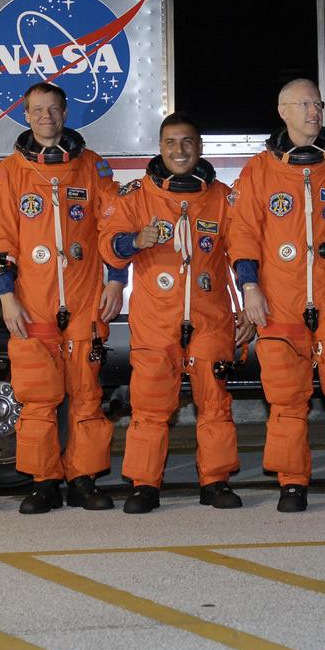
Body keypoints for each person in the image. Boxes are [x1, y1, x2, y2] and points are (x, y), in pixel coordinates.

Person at [229, 78, 325, 512]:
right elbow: (242, 235)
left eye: (317, 103)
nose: (313, 111)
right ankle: (292, 483)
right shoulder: (259, 171)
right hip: (280, 302)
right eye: (303, 104)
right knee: (285, 400)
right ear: (282, 111)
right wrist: (250, 289)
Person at [99, 113, 254, 513]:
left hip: (210, 316)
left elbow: (243, 253)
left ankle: (215, 481)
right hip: (156, 320)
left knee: (215, 401)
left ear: (199, 147)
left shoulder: (222, 197)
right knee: (149, 404)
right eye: (170, 142)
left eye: (187, 142)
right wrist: (135, 240)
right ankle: (145, 485)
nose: (179, 150)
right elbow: (108, 244)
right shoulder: (136, 195)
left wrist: (249, 305)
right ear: (160, 146)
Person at [0, 82, 126, 513]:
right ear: (25, 116)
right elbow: (0, 239)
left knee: (86, 396)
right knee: (38, 398)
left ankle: (83, 479)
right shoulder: (10, 172)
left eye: (53, 108)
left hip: (84, 300)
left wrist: (117, 280)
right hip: (33, 302)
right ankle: (44, 482)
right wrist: (7, 296)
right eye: (37, 109)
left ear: (65, 112)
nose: (46, 116)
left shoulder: (93, 168)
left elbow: (113, 229)